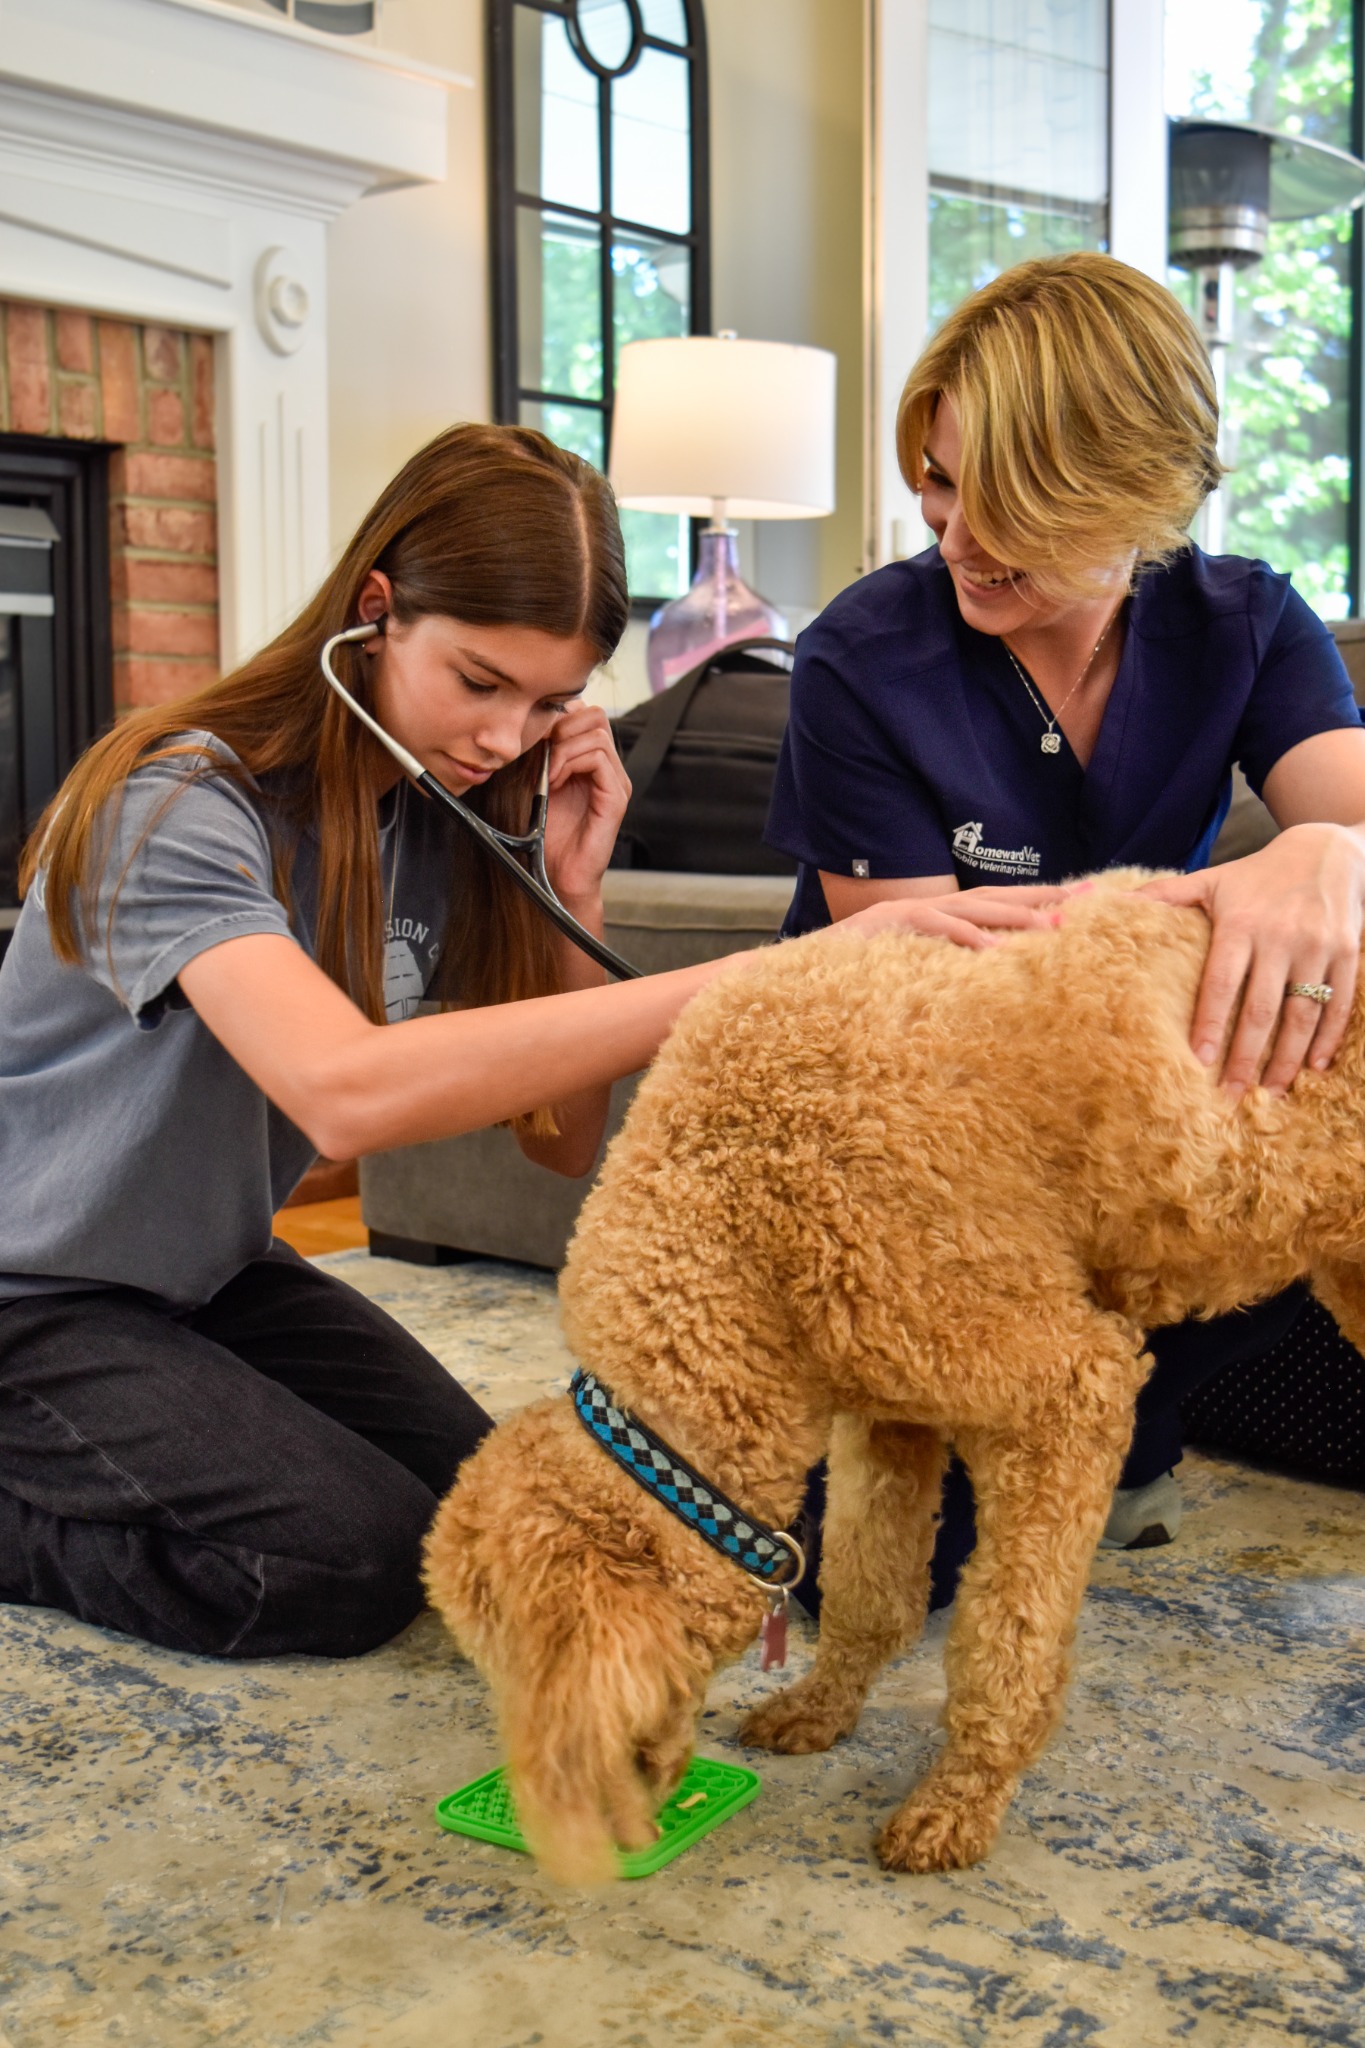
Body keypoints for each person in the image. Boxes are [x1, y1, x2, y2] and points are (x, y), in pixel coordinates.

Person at [0, 422, 1053, 1662]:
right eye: (479, 680)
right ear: (375, 612)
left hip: (207, 1278)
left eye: (550, 700)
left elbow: (560, 1147)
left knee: (496, 1511)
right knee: (348, 1559)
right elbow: (341, 1094)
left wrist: (572, 890)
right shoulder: (178, 802)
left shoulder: (441, 818)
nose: (505, 737)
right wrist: (778, 972)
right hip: (33, 1292)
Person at [766, 253, 1365, 1598]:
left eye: (1014, 500)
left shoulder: (1246, 625)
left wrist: (1327, 852)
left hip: (1135, 1143)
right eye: (937, 480)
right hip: (934, 1162)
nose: (956, 536)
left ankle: (1134, 1406)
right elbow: (922, 1016)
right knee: (858, 1569)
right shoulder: (862, 659)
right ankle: (1118, 1413)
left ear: (1139, 495)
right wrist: (1203, 911)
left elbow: (1354, 838)